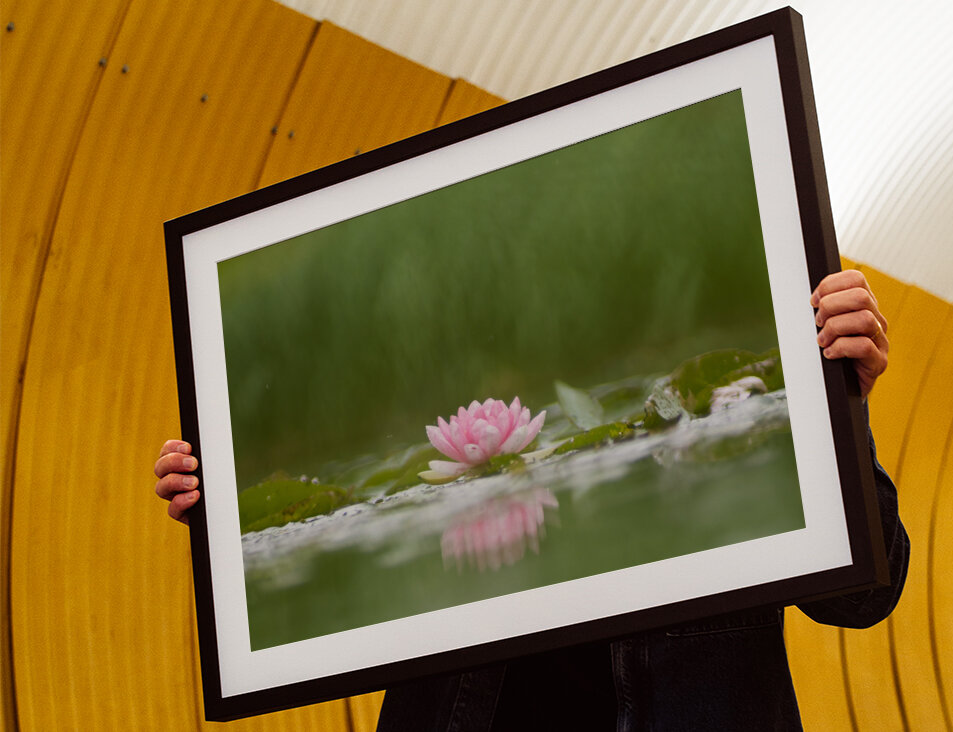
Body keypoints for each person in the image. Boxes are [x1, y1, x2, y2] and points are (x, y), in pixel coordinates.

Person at [154, 270, 909, 730]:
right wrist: (229, 522)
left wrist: (839, 403)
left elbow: (867, 596)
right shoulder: (433, 500)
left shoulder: (733, 418)